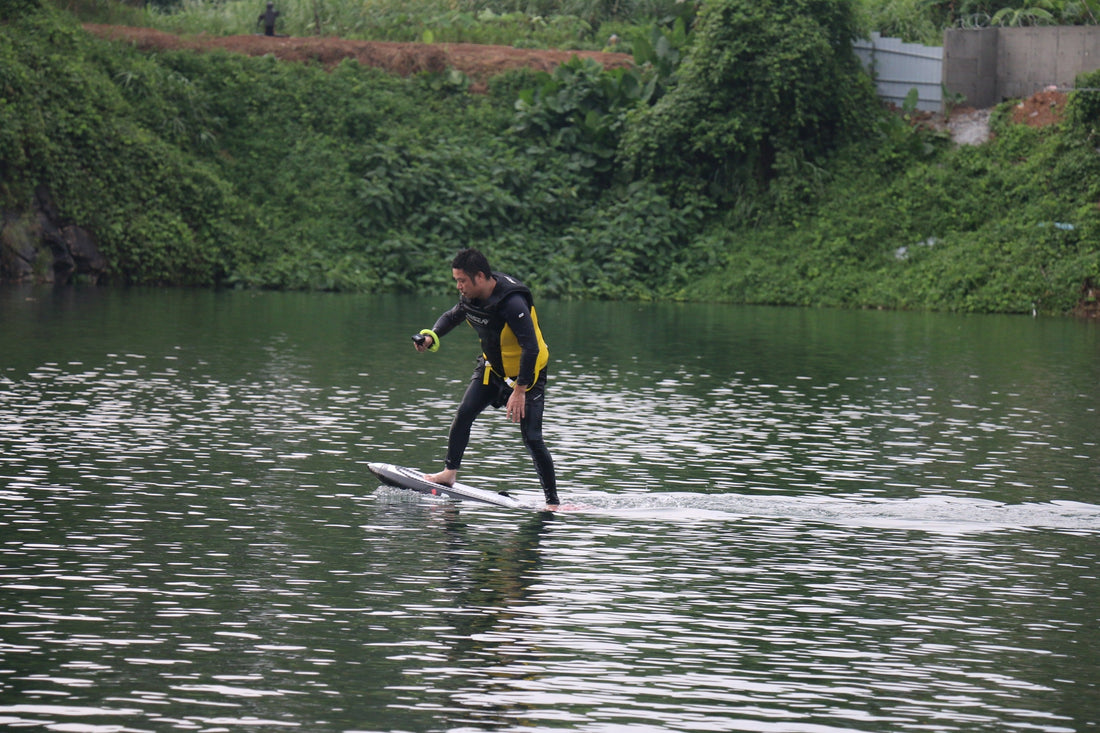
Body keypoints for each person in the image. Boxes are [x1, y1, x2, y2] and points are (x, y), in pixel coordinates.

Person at [414, 248, 559, 508]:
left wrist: (520, 390)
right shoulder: (471, 298)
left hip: (529, 375)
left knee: (533, 438)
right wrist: (431, 336)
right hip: (492, 369)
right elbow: (452, 316)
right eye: (456, 280)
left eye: (462, 281)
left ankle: (553, 502)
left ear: (480, 276)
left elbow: (531, 347)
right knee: (464, 413)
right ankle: (449, 474)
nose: (459, 286)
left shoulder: (512, 303)